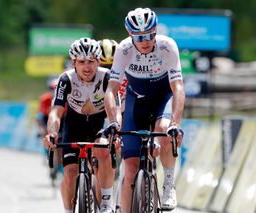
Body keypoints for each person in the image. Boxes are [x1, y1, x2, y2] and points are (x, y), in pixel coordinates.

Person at [104, 7, 185, 212]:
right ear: (130, 34)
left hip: (163, 97)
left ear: (156, 30)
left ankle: (168, 183)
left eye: (149, 35)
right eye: (139, 37)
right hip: (136, 101)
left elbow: (177, 88)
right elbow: (111, 91)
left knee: (166, 129)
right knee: (130, 171)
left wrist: (176, 123)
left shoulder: (167, 46)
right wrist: (114, 121)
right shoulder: (124, 49)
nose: (145, 41)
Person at [43, 37, 117, 213]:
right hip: (74, 125)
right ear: (73, 62)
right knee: (70, 172)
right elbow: (56, 111)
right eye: (81, 62)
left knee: (103, 151)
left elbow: (116, 109)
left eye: (91, 61)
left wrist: (116, 129)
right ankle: (69, 210)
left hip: (99, 123)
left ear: (98, 61)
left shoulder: (107, 77)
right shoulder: (65, 79)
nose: (87, 67)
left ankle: (106, 204)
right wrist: (52, 133)